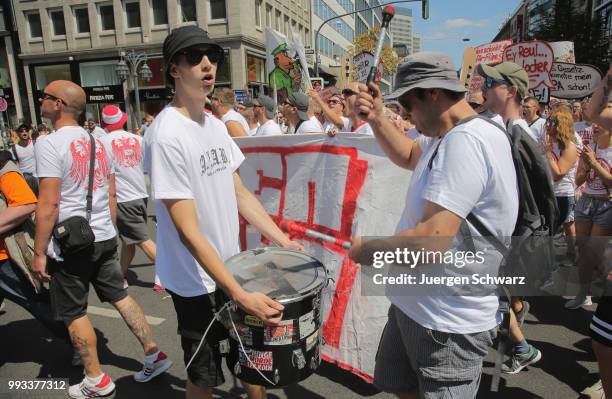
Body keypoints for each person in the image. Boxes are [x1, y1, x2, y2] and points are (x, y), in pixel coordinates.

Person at [144, 26, 303, 399]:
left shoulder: (215, 125)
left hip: (231, 268)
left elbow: (240, 194)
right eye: (194, 57)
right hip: (196, 282)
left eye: (211, 56)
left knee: (253, 356)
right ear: (174, 69)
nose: (206, 64)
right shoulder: (166, 134)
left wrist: (284, 241)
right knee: (205, 375)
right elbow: (187, 229)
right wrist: (236, 291)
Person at [349, 52, 518, 398]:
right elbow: (411, 155)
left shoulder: (465, 142)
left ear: (432, 93)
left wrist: (368, 249)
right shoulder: (447, 133)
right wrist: (378, 118)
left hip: (446, 322)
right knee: (399, 383)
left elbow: (430, 243)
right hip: (417, 306)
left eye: (408, 103)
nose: (406, 114)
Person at [33, 80, 171, 399]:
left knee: (74, 312)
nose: (41, 101)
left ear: (58, 105)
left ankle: (95, 378)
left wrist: (40, 251)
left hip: (70, 243)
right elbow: (110, 192)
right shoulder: (99, 142)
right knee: (120, 295)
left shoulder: (48, 144)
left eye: (45, 97)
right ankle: (154, 353)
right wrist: (105, 228)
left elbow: (49, 203)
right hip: (103, 235)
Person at [477, 61, 543, 374]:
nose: (483, 86)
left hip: (508, 240)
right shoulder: (504, 130)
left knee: (491, 297)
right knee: (497, 297)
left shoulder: (518, 135)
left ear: (511, 91)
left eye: (491, 82)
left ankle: (522, 348)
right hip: (505, 240)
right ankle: (518, 333)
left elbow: (531, 200)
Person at [0, 150, 79, 364]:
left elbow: (25, 204)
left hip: (6, 258)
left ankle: (80, 343)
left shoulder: (3, 168)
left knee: (40, 303)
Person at [100, 105, 156, 288]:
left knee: (141, 240)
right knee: (129, 241)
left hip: (122, 198)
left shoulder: (103, 142)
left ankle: (172, 275)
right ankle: (120, 275)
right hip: (140, 194)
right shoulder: (137, 139)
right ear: (123, 120)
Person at [543, 110, 579, 263]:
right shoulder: (551, 143)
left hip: (563, 196)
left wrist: (549, 153)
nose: (547, 126)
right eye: (548, 122)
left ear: (561, 126)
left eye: (551, 123)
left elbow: (559, 173)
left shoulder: (570, 147)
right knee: (548, 232)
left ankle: (547, 268)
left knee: (549, 233)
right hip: (549, 193)